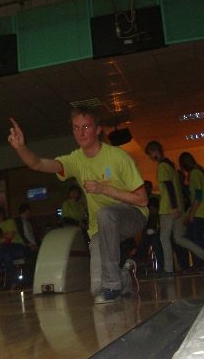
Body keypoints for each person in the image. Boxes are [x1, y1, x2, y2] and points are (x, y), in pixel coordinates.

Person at [8, 105, 149, 304]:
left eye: (86, 127)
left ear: (98, 129)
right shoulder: (76, 160)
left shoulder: (118, 157)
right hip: (102, 225)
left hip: (133, 215)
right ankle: (126, 278)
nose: (80, 133)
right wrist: (21, 148)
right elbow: (37, 164)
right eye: (76, 128)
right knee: (97, 289)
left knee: (106, 214)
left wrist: (104, 189)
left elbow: (142, 199)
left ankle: (113, 284)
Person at [145, 141, 204, 277]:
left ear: (156, 151)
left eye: (151, 153)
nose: (151, 156)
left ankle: (168, 269)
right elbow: (175, 188)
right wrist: (177, 207)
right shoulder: (171, 166)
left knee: (164, 238)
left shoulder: (162, 166)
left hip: (168, 208)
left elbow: (169, 187)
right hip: (177, 208)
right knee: (179, 238)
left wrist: (174, 207)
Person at [178, 151, 204, 269]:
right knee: (191, 237)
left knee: (195, 238)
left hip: (200, 211)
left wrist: (191, 214)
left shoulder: (194, 173)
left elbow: (198, 195)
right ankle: (199, 263)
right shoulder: (200, 172)